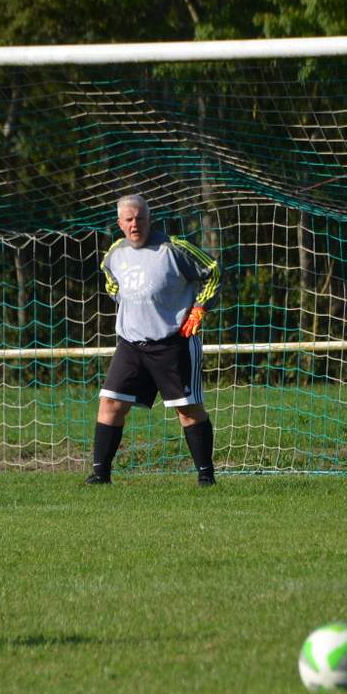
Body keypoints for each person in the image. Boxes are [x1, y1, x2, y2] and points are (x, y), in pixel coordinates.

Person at [86, 194, 220, 487]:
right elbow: (111, 283)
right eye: (129, 220)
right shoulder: (114, 254)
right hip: (131, 344)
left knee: (187, 410)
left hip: (172, 343)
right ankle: (100, 476)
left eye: (140, 218)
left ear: (149, 219)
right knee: (110, 403)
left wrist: (199, 308)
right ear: (120, 223)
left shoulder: (173, 249)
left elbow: (213, 272)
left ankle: (206, 477)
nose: (135, 225)